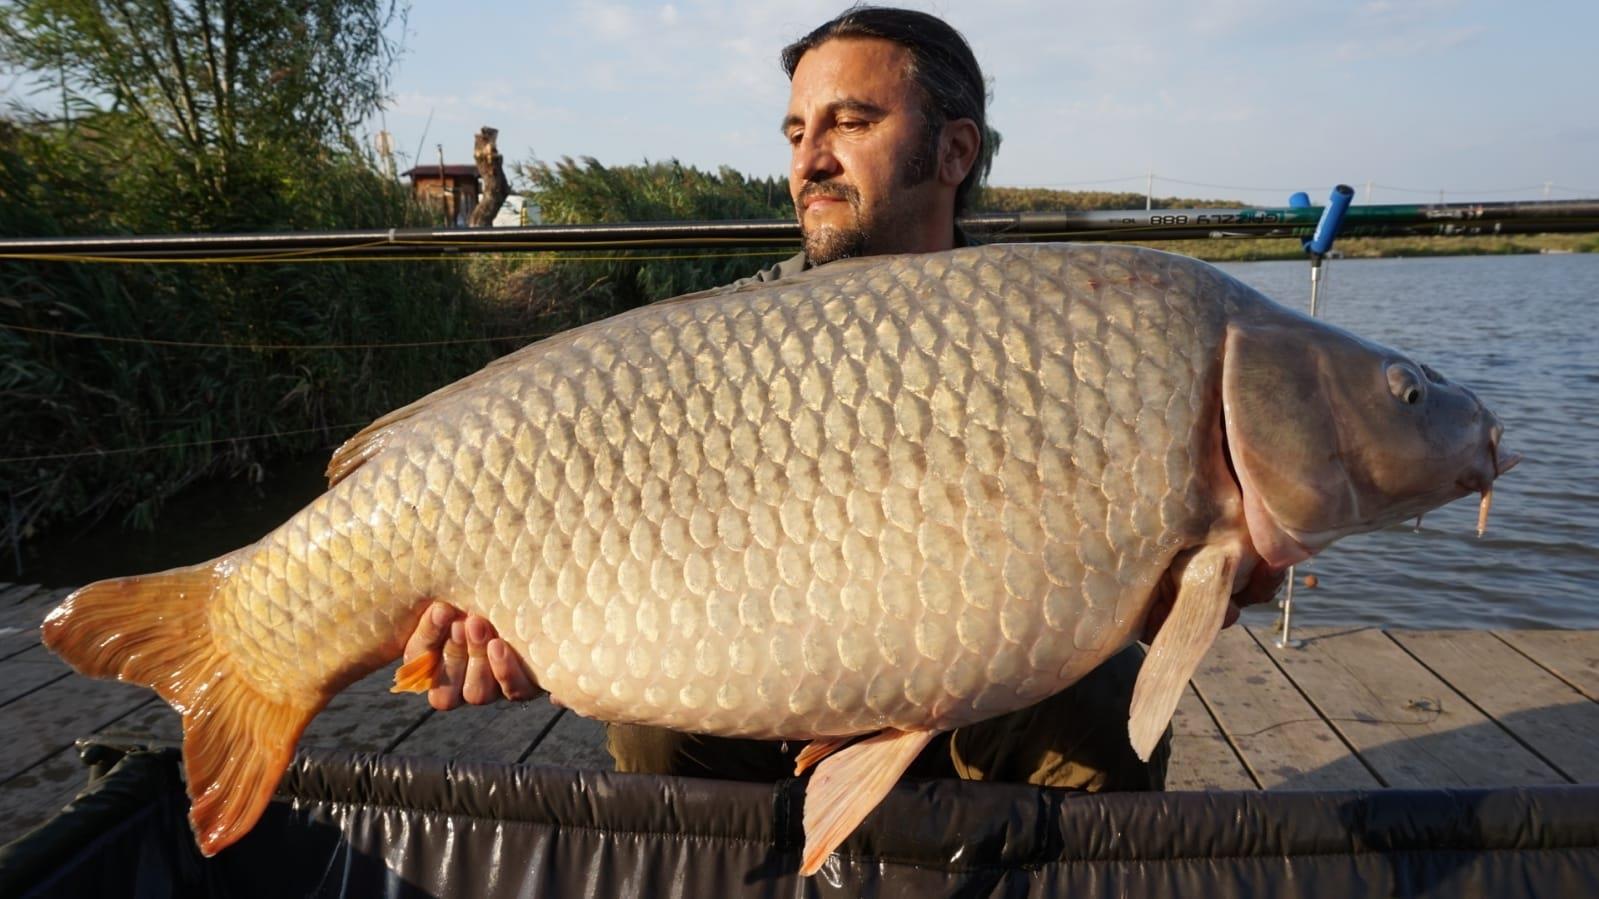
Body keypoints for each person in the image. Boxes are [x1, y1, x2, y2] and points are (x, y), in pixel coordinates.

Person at [399, 6, 1275, 791]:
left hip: (994, 665)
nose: (809, 160)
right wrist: (507, 618)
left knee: (1112, 724)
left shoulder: (1053, 329)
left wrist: (1193, 563)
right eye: (794, 133)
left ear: (954, 150)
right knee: (649, 725)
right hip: (771, 669)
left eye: (849, 122)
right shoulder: (730, 334)